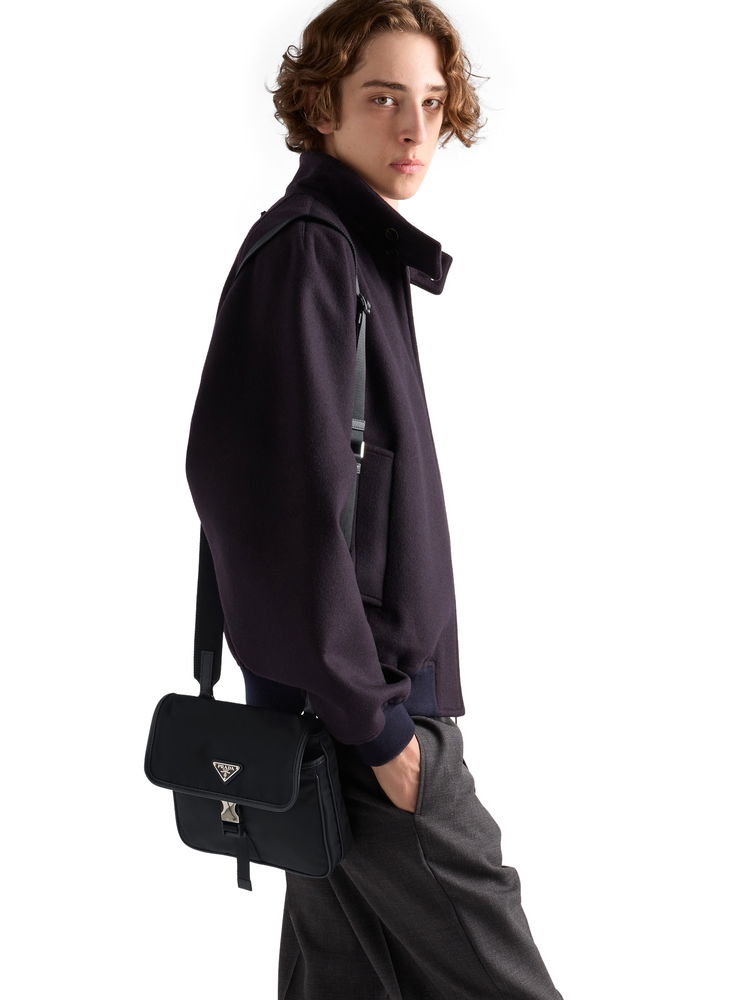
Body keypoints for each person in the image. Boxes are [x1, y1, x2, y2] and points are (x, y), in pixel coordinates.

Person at [185, 1, 564, 997]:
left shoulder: (349, 250)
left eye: (431, 103)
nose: (414, 129)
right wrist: (380, 727)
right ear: (322, 108)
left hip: (333, 717)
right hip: (363, 720)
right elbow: (268, 505)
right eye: (384, 98)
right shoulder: (312, 253)